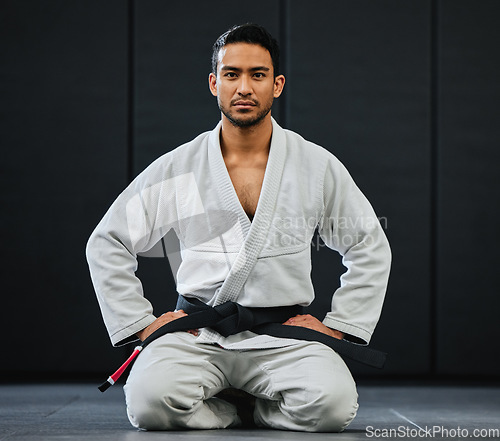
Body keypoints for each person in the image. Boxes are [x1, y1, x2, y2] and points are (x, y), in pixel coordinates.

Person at [86, 23, 391, 432]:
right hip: (197, 334)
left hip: (282, 337)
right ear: (214, 83)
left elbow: (369, 245)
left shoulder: (313, 165)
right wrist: (139, 322)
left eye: (257, 74)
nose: (243, 87)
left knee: (331, 407)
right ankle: (233, 411)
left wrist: (339, 324)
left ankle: (252, 409)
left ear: (277, 84)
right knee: (149, 405)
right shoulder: (182, 166)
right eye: (231, 74)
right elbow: (108, 241)